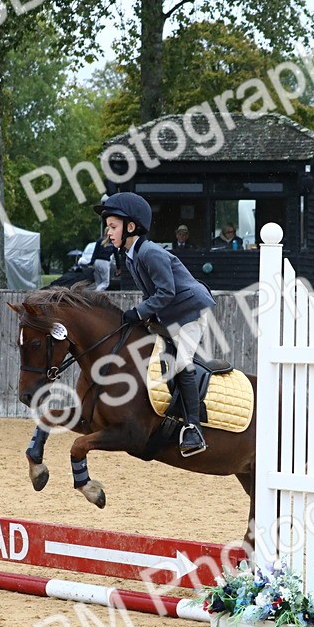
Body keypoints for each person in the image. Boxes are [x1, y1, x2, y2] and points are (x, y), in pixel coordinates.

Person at [96, 192, 216, 457]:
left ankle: (193, 430)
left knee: (183, 362)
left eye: (113, 227)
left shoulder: (151, 253)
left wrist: (138, 312)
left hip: (191, 311)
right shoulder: (131, 255)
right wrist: (143, 316)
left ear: (130, 227)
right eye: (108, 228)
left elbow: (166, 293)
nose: (109, 233)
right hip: (171, 313)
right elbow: (154, 295)